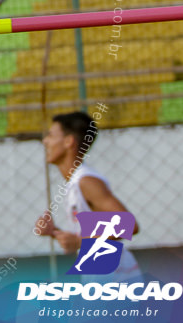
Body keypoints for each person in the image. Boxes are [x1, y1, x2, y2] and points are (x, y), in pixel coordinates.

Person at [34, 111, 141, 282]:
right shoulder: (74, 183)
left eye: (51, 135)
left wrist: (78, 242)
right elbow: (89, 234)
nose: (45, 141)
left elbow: (129, 225)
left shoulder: (86, 181)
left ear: (69, 142)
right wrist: (55, 232)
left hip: (117, 280)